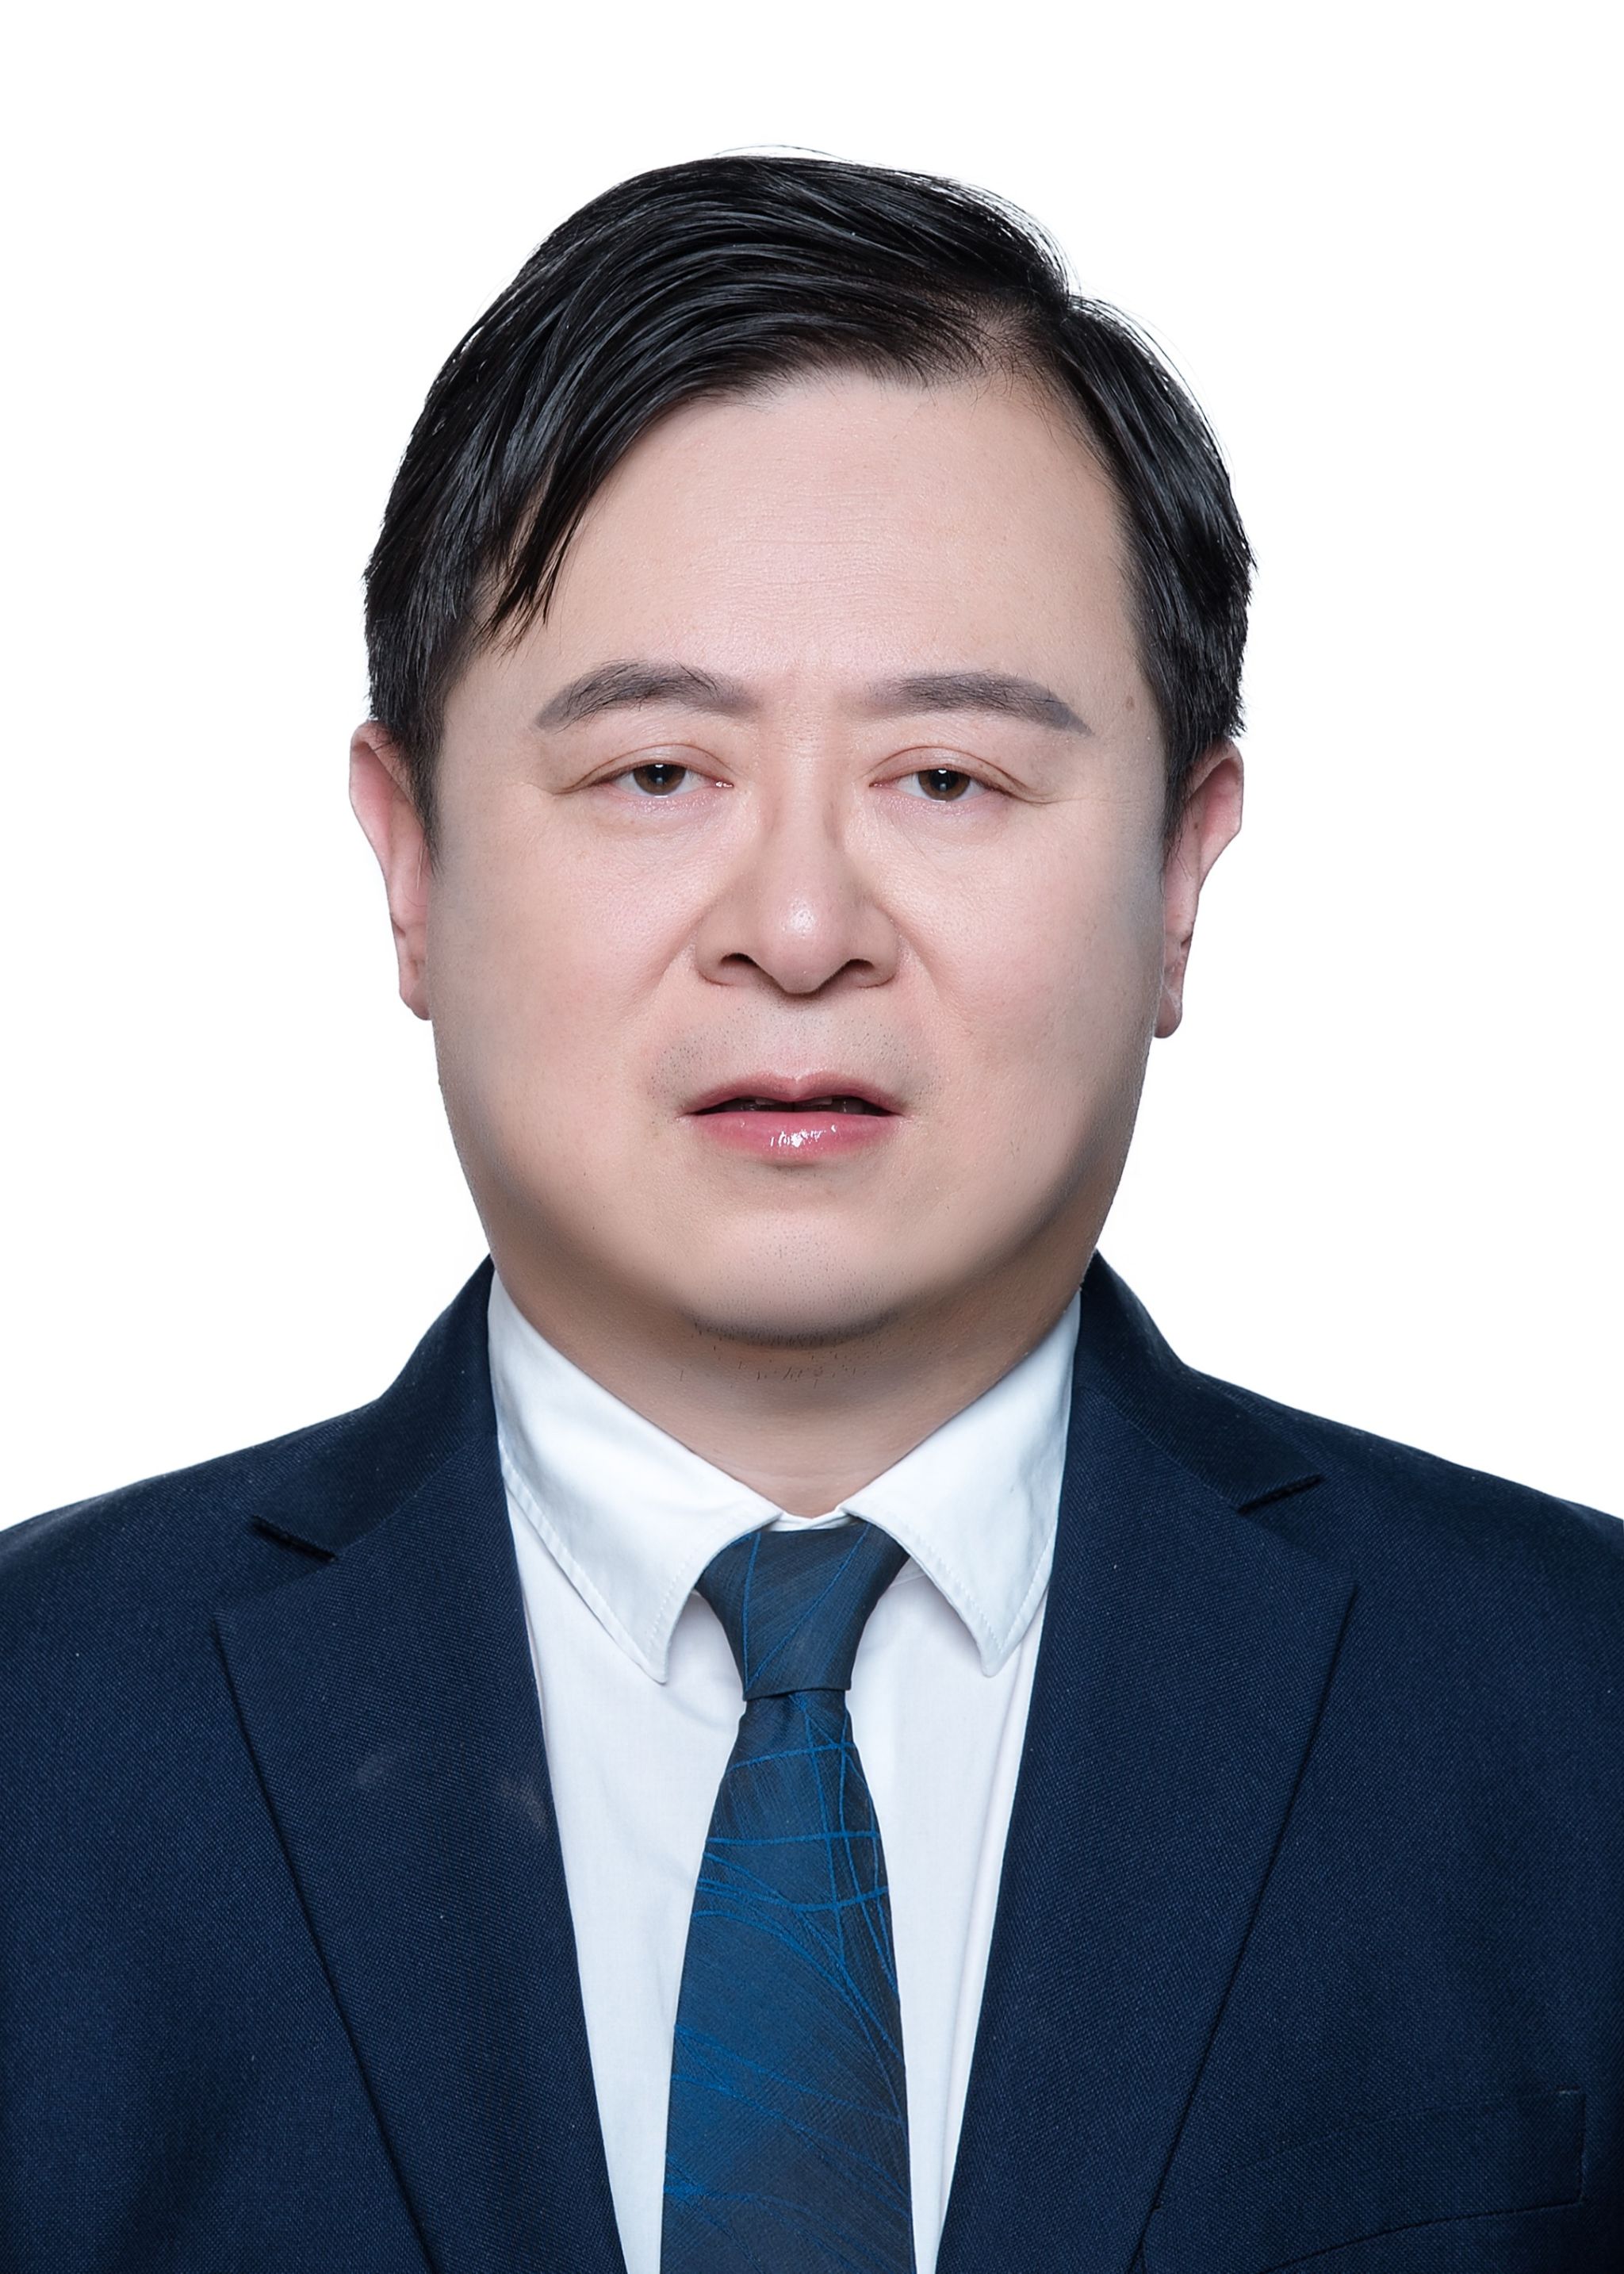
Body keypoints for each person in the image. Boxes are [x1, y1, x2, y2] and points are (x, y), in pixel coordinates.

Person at [2, 152, 1619, 2274]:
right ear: (409, 860)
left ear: (1179, 872)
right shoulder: (36, 1737)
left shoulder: (1575, 1721)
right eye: (655, 773)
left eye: (947, 778)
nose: (796, 925)